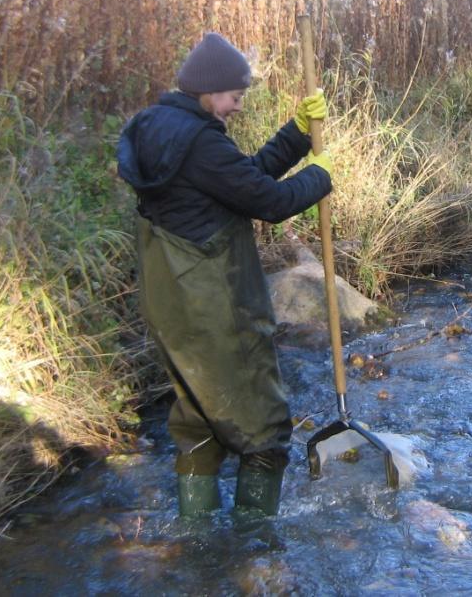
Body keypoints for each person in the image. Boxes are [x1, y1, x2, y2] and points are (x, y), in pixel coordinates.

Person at [116, 32, 333, 517]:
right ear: (210, 91)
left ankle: (198, 549)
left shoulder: (161, 127)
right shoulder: (200, 144)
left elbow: (243, 180)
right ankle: (253, 553)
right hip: (216, 305)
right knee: (264, 434)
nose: (237, 107)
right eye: (235, 97)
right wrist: (321, 174)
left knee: (199, 425)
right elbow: (270, 202)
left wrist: (296, 136)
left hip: (173, 308)